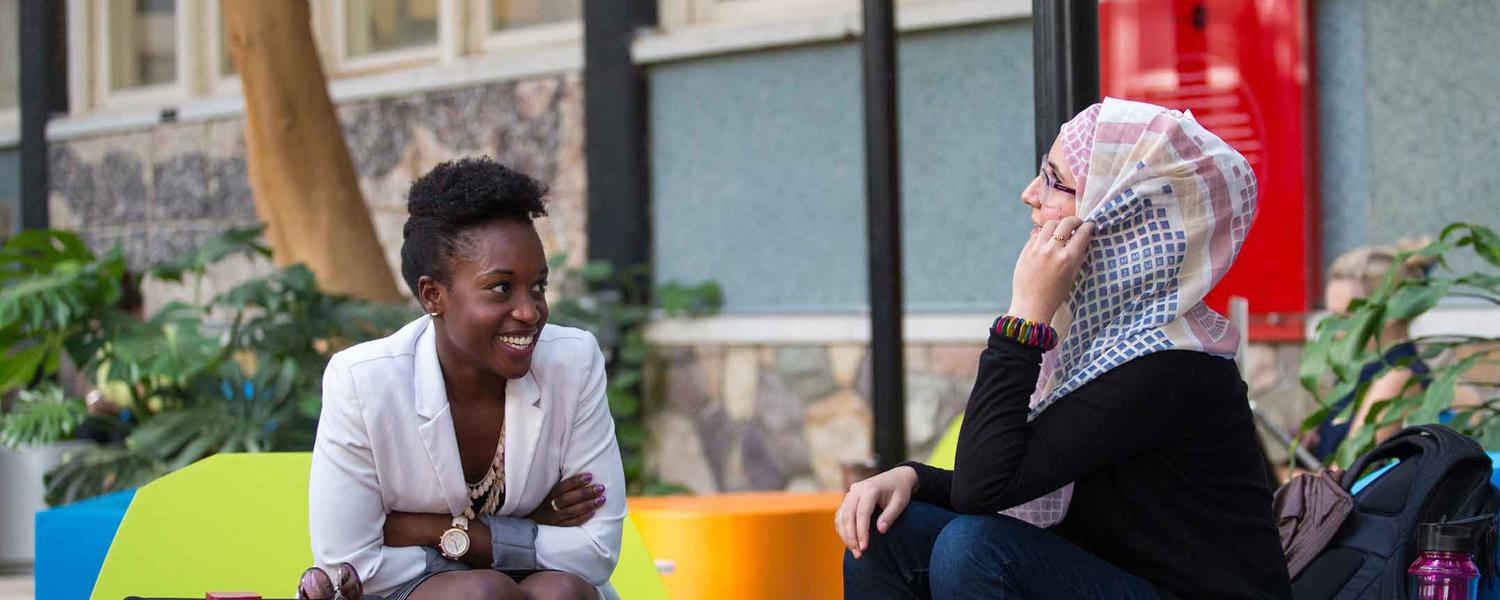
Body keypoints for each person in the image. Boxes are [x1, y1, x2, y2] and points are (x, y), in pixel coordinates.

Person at [837, 98, 1291, 599]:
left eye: (1055, 181)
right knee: (885, 534)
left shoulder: (1170, 361)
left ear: (1121, 212)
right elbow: (1018, 472)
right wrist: (912, 478)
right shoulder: (1099, 340)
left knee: (977, 550)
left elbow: (985, 487)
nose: (1029, 194)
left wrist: (1025, 316)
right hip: (1114, 579)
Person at [307, 158, 625, 600]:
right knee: (481, 594)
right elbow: (350, 567)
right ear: (432, 295)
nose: (530, 312)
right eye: (500, 288)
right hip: (407, 590)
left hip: (538, 583)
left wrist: (432, 530)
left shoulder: (571, 361)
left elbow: (595, 552)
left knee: (561, 594)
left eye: (538, 286)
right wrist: (530, 527)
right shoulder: (364, 382)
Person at [1310, 243, 1435, 461]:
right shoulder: (1359, 371)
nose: (1335, 332)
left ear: (1391, 313)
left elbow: (1349, 475)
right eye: (1331, 317)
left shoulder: (1395, 376)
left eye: (1345, 318)